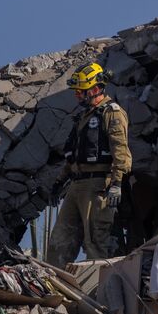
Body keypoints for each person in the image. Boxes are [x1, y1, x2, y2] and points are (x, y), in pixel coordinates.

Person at [46, 62, 131, 267]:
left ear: (94, 89)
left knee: (96, 243)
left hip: (98, 186)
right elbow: (74, 157)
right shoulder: (84, 116)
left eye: (81, 92)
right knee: (59, 243)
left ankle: (96, 294)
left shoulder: (112, 113)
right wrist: (59, 183)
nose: (77, 96)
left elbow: (121, 152)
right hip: (76, 186)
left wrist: (117, 184)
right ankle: (57, 291)